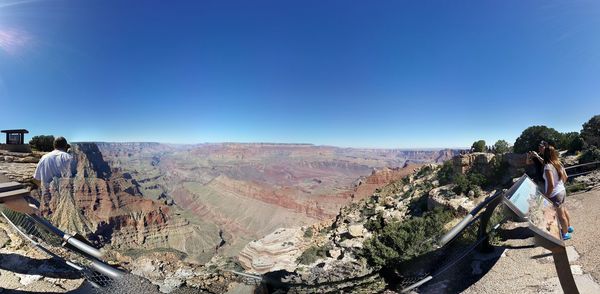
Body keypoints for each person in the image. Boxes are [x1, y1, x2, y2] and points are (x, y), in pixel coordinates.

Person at [542, 145, 574, 240]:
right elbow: (566, 177)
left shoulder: (548, 166)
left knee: (560, 215)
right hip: (561, 191)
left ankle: (565, 234)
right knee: (564, 210)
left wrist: (546, 195)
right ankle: (568, 227)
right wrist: (560, 186)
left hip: (555, 194)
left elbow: (551, 184)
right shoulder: (558, 163)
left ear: (545, 154)